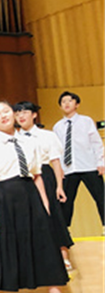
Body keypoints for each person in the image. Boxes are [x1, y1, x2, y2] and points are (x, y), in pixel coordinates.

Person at [0, 101, 70, 293]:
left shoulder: (30, 142)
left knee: (45, 245)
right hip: (3, 197)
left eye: (6, 111)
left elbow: (37, 175)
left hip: (30, 195)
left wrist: (45, 203)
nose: (3, 116)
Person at [14, 101, 74, 270]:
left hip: (46, 175)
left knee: (53, 214)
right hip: (25, 179)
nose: (21, 116)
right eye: (17, 113)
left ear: (34, 115)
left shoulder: (48, 136)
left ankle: (63, 256)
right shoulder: (14, 139)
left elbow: (56, 162)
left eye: (25, 112)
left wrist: (59, 186)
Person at [52, 91, 105, 231]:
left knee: (101, 197)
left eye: (70, 100)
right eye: (63, 102)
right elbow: (57, 150)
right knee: (66, 201)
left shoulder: (86, 121)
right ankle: (65, 231)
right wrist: (59, 169)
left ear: (77, 104)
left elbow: (96, 143)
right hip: (68, 169)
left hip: (89, 166)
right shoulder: (57, 127)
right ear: (60, 106)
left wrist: (101, 162)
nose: (66, 104)